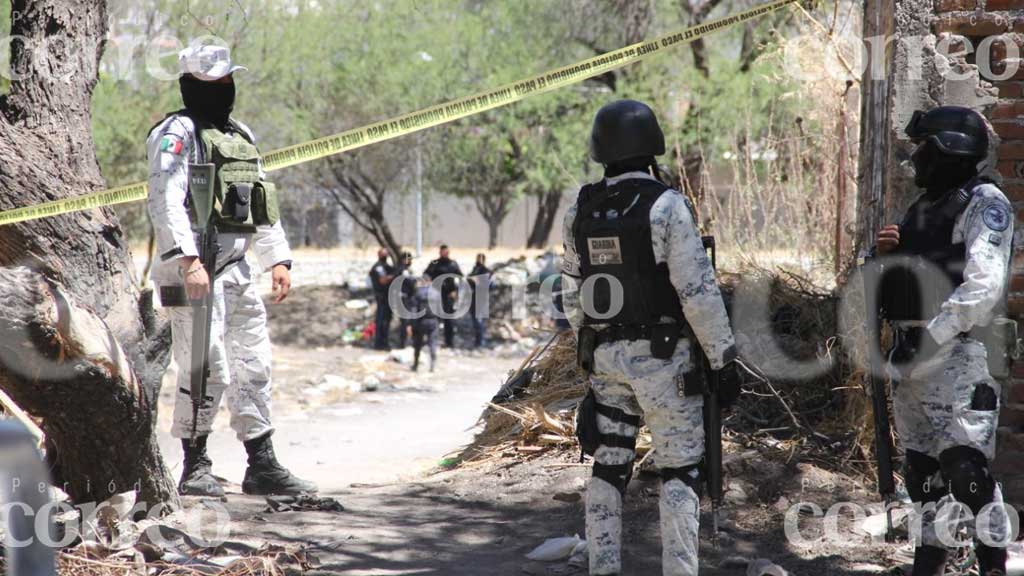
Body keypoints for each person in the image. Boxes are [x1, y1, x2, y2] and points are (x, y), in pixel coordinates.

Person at [561, 99, 741, 576]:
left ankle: (603, 568)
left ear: (601, 149)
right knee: (680, 470)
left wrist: (587, 349)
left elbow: (570, 290)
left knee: (609, 465)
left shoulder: (580, 207)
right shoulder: (667, 206)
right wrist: (724, 361)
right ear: (652, 147)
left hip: (605, 358)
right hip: (666, 363)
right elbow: (698, 294)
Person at [147, 44, 316, 497]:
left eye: (227, 82)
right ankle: (195, 465)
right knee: (204, 366)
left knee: (253, 364)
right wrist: (188, 261)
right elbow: (165, 201)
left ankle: (262, 464)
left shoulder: (240, 134)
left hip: (238, 271)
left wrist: (276, 258)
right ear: (190, 85)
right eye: (214, 84)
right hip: (194, 271)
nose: (224, 90)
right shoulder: (176, 134)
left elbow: (259, 202)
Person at [874, 106, 1012, 576]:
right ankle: (927, 564)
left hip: (960, 355)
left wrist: (930, 337)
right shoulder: (923, 207)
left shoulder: (984, 203)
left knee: (966, 471)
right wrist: (884, 255)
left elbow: (982, 287)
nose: (916, 158)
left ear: (950, 148)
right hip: (911, 357)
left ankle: (993, 563)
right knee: (922, 476)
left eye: (924, 148)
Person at [424, 244, 463, 348]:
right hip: (436, 294)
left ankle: (449, 342)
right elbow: (426, 274)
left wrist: (456, 291)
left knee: (449, 319)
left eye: (447, 252)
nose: (445, 254)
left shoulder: (453, 264)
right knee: (434, 318)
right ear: (440, 252)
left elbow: (460, 277)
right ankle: (432, 341)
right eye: (444, 252)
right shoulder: (435, 263)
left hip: (449, 295)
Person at [410, 275, 442, 372]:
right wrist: (439, 321)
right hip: (433, 320)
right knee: (432, 343)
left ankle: (415, 365)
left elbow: (414, 309)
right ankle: (432, 365)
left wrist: (412, 324)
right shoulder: (436, 293)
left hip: (421, 321)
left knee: (418, 344)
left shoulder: (418, 293)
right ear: (430, 281)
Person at [369, 248, 395, 350]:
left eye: (387, 254)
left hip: (387, 298)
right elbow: (383, 280)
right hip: (382, 298)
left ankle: (384, 342)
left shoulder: (386, 266)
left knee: (387, 320)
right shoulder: (378, 267)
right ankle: (379, 343)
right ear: (379, 255)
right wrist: (394, 276)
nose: (386, 256)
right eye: (384, 254)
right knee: (381, 321)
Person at [468, 253, 491, 348]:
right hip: (473, 298)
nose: (478, 261)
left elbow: (486, 284)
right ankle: (477, 341)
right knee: (475, 321)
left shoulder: (486, 271)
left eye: (480, 259)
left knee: (479, 321)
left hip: (481, 298)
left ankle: (481, 342)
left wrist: (476, 281)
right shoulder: (475, 269)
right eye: (477, 259)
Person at [394, 251, 417, 348]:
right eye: (408, 259)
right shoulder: (403, 271)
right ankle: (403, 343)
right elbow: (411, 283)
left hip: (407, 299)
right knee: (406, 322)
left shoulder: (407, 270)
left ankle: (406, 342)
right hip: (404, 299)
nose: (410, 261)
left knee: (408, 321)